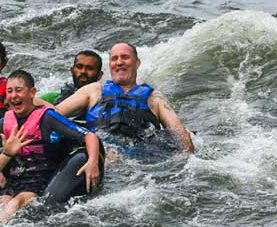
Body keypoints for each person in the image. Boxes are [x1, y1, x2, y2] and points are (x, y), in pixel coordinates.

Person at [0, 69, 102, 221]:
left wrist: (93, 162)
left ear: (32, 92)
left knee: (14, 204)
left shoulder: (47, 117)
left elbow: (89, 135)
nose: (14, 96)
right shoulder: (5, 122)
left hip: (39, 182)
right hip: (15, 180)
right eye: (9, 91)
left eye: (19, 90)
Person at [53, 43, 194, 154]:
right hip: (99, 150)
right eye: (114, 59)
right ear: (110, 66)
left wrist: (184, 155)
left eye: (125, 57)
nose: (119, 62)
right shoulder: (94, 90)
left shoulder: (154, 98)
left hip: (140, 158)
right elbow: (54, 113)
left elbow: (178, 131)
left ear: (137, 63)